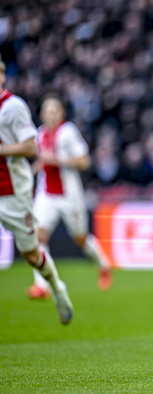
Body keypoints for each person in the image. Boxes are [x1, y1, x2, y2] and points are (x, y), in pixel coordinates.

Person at [0, 57, 72, 324]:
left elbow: (31, 148)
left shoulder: (12, 107)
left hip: (12, 194)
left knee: (31, 253)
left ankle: (56, 288)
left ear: (2, 75)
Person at [26, 96, 113, 300]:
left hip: (69, 196)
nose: (50, 115)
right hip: (46, 194)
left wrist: (57, 160)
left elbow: (84, 161)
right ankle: (41, 286)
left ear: (62, 113)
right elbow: (43, 161)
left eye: (54, 111)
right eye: (47, 111)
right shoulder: (39, 133)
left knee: (80, 238)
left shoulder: (69, 132)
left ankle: (103, 264)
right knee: (38, 237)